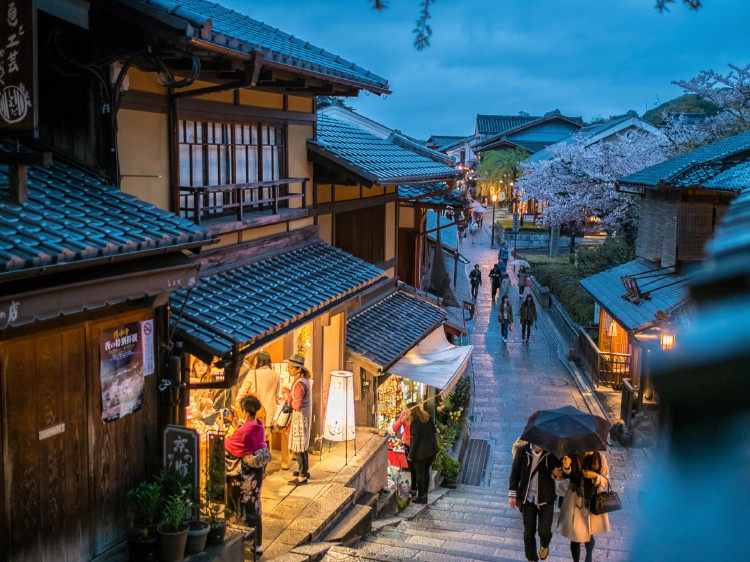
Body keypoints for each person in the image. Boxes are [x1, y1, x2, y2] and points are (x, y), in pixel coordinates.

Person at [225, 395, 266, 555]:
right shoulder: (258, 425)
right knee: (254, 507)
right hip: (255, 475)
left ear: (244, 411)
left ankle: (238, 542)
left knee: (239, 507)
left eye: (240, 409)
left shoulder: (245, 431)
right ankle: (257, 544)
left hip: (244, 476)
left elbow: (229, 444)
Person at [553, 452, 611, 562]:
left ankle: (589, 556)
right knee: (575, 536)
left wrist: (595, 476)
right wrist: (566, 467)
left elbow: (606, 480)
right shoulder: (572, 455)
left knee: (590, 534)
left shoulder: (600, 457)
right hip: (575, 499)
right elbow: (565, 476)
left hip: (592, 499)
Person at [509, 442, 561, 562]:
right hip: (527, 499)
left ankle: (544, 545)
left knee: (545, 531)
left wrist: (561, 470)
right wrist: (512, 495)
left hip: (546, 499)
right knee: (529, 532)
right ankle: (531, 558)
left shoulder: (551, 452)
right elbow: (514, 474)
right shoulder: (522, 451)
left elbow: (560, 475)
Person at [235, 351, 280, 437]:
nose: (254, 363)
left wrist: (239, 408)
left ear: (261, 362)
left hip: (255, 412)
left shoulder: (252, 373)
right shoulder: (276, 374)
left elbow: (241, 393)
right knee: (265, 441)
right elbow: (277, 395)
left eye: (255, 361)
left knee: (254, 441)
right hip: (270, 414)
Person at [283, 353, 312, 486]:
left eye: (291, 368)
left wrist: (288, 399)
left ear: (298, 369)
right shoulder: (304, 381)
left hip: (299, 419)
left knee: (299, 448)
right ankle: (304, 471)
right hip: (304, 418)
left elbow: (297, 404)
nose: (289, 370)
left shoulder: (299, 384)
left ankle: (302, 476)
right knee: (303, 446)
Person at [407, 404, 439, 504]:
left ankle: (421, 497)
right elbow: (434, 431)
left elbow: (415, 439)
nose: (405, 412)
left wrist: (410, 454)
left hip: (420, 453)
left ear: (412, 411)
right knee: (425, 473)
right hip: (431, 451)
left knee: (420, 474)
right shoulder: (427, 417)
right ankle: (424, 496)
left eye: (406, 410)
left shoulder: (415, 422)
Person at [392, 402, 418, 496]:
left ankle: (414, 487)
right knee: (411, 466)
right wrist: (401, 421)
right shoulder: (404, 416)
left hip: (416, 445)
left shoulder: (417, 418)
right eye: (405, 409)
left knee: (415, 467)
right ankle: (414, 486)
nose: (405, 411)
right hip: (407, 445)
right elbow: (394, 428)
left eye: (407, 409)